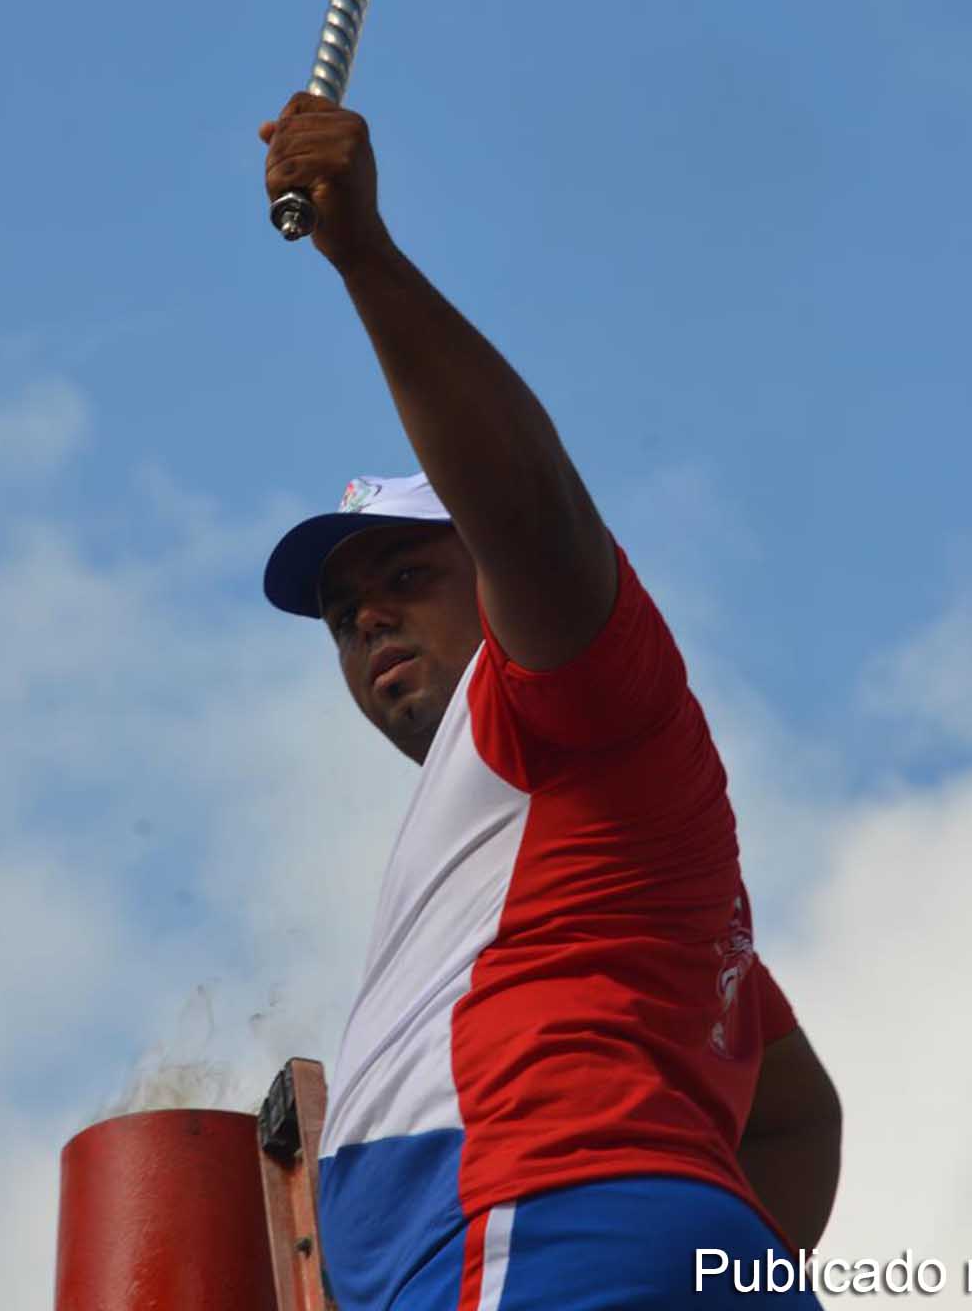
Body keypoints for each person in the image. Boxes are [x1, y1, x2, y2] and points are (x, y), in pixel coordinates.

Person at [258, 93, 844, 1311]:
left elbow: (531, 508)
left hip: (534, 1238)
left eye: (407, 573)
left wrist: (363, 256)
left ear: (493, 574)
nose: (366, 616)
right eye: (340, 612)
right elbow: (791, 1116)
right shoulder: (565, 857)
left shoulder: (559, 700)